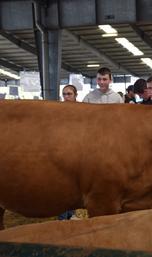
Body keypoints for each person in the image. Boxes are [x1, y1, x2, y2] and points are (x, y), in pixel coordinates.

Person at [59, 84, 78, 220]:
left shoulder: (82, 110)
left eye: (69, 94)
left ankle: (71, 214)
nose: (66, 97)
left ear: (75, 95)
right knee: (62, 185)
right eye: (64, 94)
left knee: (75, 185)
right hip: (62, 151)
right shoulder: (59, 110)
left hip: (77, 151)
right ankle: (62, 217)